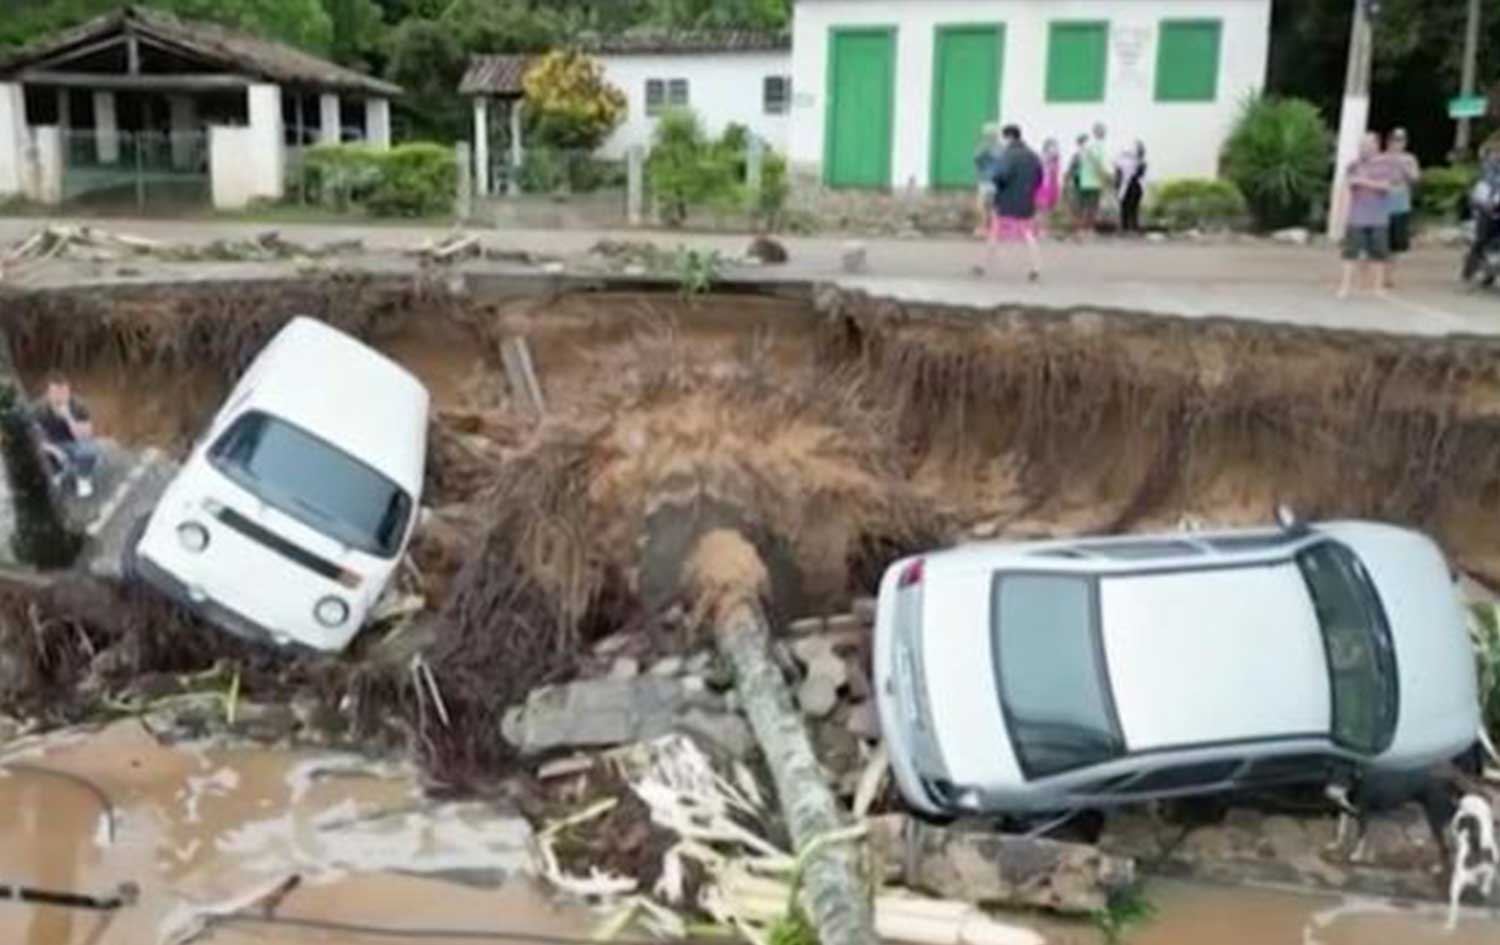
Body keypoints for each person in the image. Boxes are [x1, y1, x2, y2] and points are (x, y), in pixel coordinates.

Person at [975, 124, 1044, 281]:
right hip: (1026, 201)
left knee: (994, 231)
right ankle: (1036, 266)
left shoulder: (1008, 155)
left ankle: (983, 265)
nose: (1003, 141)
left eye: (1004, 138)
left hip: (1006, 200)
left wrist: (996, 183)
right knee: (1028, 233)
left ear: (1009, 137)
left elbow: (1001, 176)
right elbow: (1039, 177)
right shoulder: (1033, 155)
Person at [1337, 131, 1400, 299]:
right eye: (1361, 144)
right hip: (1357, 217)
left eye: (1367, 144)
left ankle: (1378, 287)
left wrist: (1363, 181)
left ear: (1376, 146)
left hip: (1378, 217)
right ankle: (1345, 286)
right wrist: (1342, 215)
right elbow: (1346, 189)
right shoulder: (1353, 165)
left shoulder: (1387, 165)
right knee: (1350, 253)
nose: (1363, 148)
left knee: (1378, 254)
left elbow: (1387, 187)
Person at [34, 372, 100, 499]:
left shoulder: (79, 405)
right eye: (55, 393)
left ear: (69, 391)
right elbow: (35, 436)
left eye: (64, 393)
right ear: (48, 393)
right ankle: (55, 472)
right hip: (51, 445)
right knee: (34, 453)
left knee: (89, 450)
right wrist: (52, 450)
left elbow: (86, 435)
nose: (60, 397)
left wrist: (69, 417)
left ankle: (83, 477)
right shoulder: (39, 408)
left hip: (74, 443)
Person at [1383, 127, 1420, 285]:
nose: (1398, 143)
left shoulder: (1409, 159)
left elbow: (1415, 178)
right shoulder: (1381, 158)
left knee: (1396, 244)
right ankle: (1378, 273)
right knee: (1380, 241)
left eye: (1401, 140)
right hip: (1382, 204)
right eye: (1395, 140)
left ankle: (1389, 276)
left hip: (1401, 204)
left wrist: (1404, 169)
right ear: (1389, 141)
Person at [1075, 124, 1109, 236]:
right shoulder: (1097, 146)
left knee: (1084, 206)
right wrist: (1104, 176)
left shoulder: (1087, 146)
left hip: (1084, 180)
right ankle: (1088, 229)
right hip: (1094, 181)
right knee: (1092, 207)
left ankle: (1082, 229)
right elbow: (1098, 162)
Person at [972, 124, 1003, 239]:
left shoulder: (983, 147)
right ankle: (994, 229)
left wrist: (980, 170)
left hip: (986, 180)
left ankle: (983, 228)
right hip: (997, 180)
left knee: (982, 205)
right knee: (994, 206)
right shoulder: (1001, 147)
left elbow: (977, 160)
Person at [1116, 141, 1147, 235]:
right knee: (1129, 207)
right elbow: (1119, 174)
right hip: (1130, 185)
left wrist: (1119, 183)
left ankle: (1129, 227)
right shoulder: (1139, 161)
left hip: (1132, 185)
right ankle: (1129, 227)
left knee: (1129, 206)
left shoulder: (1140, 161)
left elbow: (1140, 173)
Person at [1035, 138, 1062, 227]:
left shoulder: (1056, 160)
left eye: (1055, 147)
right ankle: (1039, 230)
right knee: (1042, 209)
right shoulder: (1042, 158)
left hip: (1053, 186)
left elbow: (1057, 174)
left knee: (1048, 210)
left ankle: (1043, 229)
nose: (1054, 150)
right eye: (1052, 147)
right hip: (1043, 186)